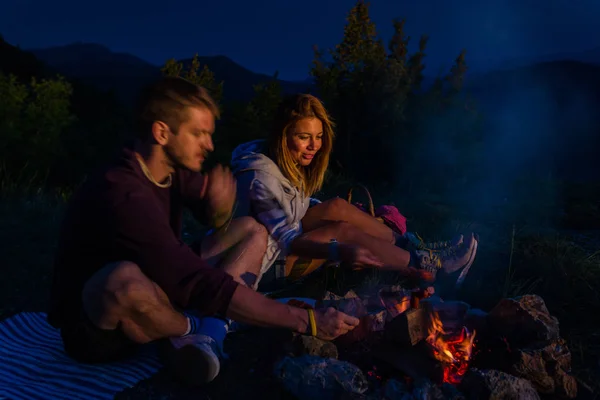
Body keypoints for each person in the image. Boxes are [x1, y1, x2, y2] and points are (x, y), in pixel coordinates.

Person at [47, 78, 359, 386]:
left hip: (159, 279)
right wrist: (308, 321)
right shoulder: (123, 192)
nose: (209, 145)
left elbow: (211, 216)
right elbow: (194, 280)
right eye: (199, 134)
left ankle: (209, 328)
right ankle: (192, 329)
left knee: (250, 228)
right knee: (122, 279)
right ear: (162, 132)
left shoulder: (167, 169)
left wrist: (220, 207)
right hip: (99, 327)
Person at [231, 93, 478, 286]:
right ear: (282, 135)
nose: (314, 145)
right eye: (304, 137)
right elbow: (290, 243)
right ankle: (433, 267)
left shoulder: (280, 157)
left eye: (318, 136)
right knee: (343, 231)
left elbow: (291, 213)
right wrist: (341, 249)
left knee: (337, 207)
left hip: (282, 241)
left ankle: (415, 246)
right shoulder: (258, 178)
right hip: (264, 267)